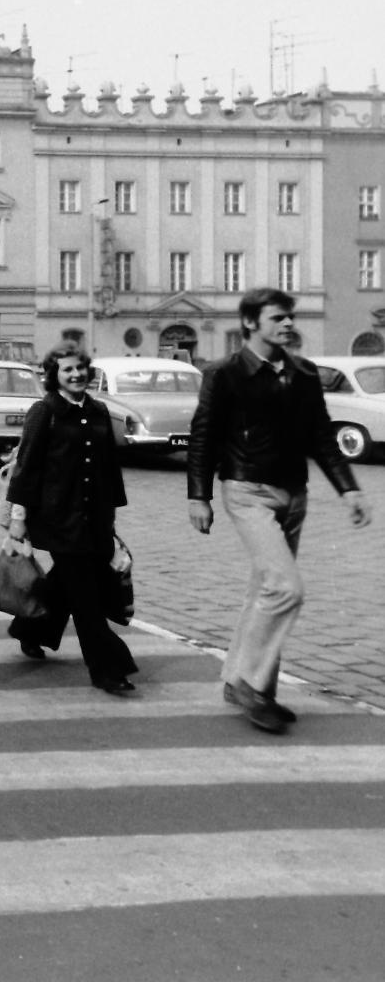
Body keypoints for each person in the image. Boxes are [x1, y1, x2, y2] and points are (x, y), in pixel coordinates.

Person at [187, 287, 371, 733]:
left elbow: (322, 438)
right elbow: (204, 435)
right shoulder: (225, 373)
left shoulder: (305, 373)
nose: (288, 324)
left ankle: (248, 684)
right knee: (286, 588)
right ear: (251, 323)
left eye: (289, 317)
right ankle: (251, 683)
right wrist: (199, 495)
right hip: (247, 489)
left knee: (264, 589)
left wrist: (348, 489)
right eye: (277, 318)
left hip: (294, 494)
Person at [2, 340, 138, 695]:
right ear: (54, 375)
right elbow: (27, 468)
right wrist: (18, 518)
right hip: (57, 518)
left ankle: (31, 630)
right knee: (86, 597)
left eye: (80, 368)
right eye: (67, 369)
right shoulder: (43, 412)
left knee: (65, 583)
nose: (76, 374)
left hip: (94, 517)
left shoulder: (97, 410)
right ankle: (108, 668)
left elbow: (109, 466)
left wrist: (111, 517)